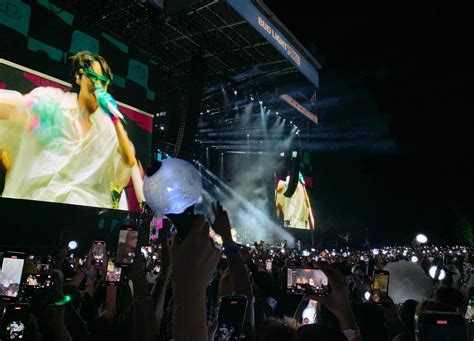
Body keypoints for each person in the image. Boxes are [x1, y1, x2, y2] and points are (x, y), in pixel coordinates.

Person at [0, 51, 136, 208]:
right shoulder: (54, 103)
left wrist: (114, 118)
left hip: (81, 215)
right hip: (38, 205)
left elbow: (129, 161)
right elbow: (19, 106)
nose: (98, 85)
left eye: (103, 81)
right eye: (93, 77)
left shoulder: (107, 129)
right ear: (79, 78)